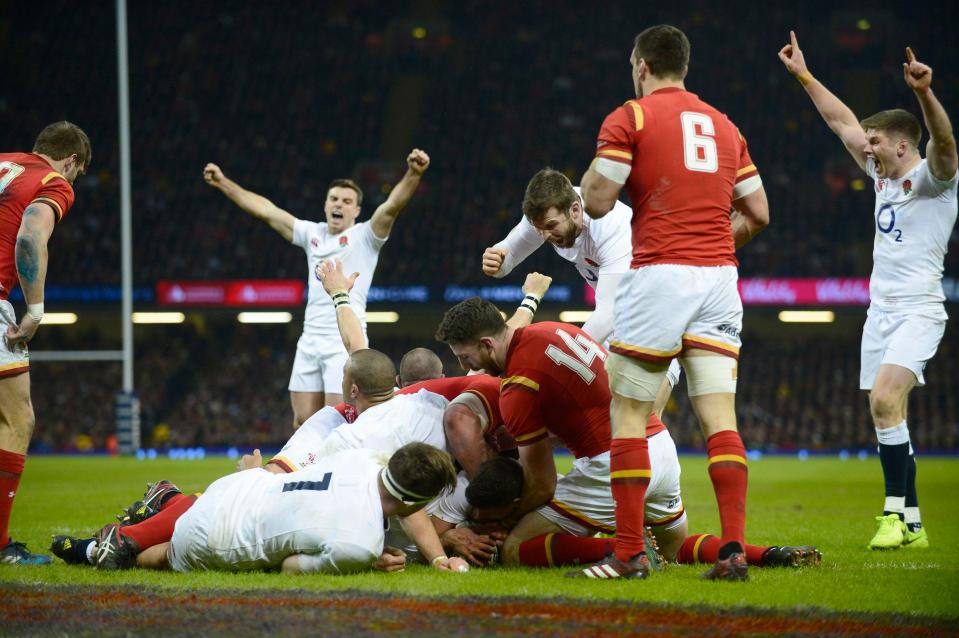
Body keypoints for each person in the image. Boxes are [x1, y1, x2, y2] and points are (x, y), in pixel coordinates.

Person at [576, 25, 770, 580]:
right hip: (718, 280)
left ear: (641, 65)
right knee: (720, 419)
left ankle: (630, 553)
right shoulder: (725, 126)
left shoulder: (630, 117)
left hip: (660, 274)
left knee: (630, 412)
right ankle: (733, 553)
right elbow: (758, 214)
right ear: (683, 66)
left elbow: (594, 200)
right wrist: (708, 246)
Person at [779, 34, 956, 550]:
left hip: (919, 311)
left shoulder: (933, 180)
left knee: (884, 400)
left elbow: (944, 144)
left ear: (902, 144)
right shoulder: (880, 177)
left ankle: (893, 516)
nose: (866, 147)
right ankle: (917, 527)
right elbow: (841, 122)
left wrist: (925, 95)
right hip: (879, 313)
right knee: (889, 415)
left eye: (875, 142)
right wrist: (804, 76)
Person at [434, 297, 673, 579]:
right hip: (659, 446)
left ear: (487, 344)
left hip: (612, 463)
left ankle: (624, 550)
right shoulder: (553, 329)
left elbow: (543, 486)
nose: (465, 367)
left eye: (465, 357)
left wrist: (506, 520)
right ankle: (732, 554)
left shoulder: (517, 388)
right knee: (673, 550)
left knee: (515, 548)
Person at [203, 149, 430, 429]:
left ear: (357, 211)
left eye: (347, 201)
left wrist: (414, 174)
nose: (339, 204)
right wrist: (224, 182)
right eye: (334, 199)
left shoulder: (366, 236)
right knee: (302, 422)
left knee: (336, 419)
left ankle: (334, 472)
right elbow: (267, 211)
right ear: (325, 204)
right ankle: (304, 472)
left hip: (342, 340)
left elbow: (392, 206)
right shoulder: (313, 233)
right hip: (309, 339)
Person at [96, 444, 467, 574]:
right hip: (219, 534)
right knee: (167, 558)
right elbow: (290, 567)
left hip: (240, 485)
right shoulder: (362, 543)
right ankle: (111, 549)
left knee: (188, 530)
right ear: (415, 502)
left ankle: (167, 499)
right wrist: (366, 560)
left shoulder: (364, 457)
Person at [482, 167, 682, 403]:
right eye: (539, 229)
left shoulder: (612, 227)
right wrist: (496, 261)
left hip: (654, 321)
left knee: (643, 423)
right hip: (615, 321)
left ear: (575, 210)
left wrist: (563, 358)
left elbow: (609, 314)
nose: (544, 236)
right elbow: (509, 254)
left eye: (551, 226)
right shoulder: (549, 213)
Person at [0, 121, 91, 565]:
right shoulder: (53, 181)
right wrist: (35, 308)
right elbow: (30, 236)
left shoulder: (3, 163)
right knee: (17, 418)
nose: (74, 182)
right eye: (78, 172)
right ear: (70, 160)